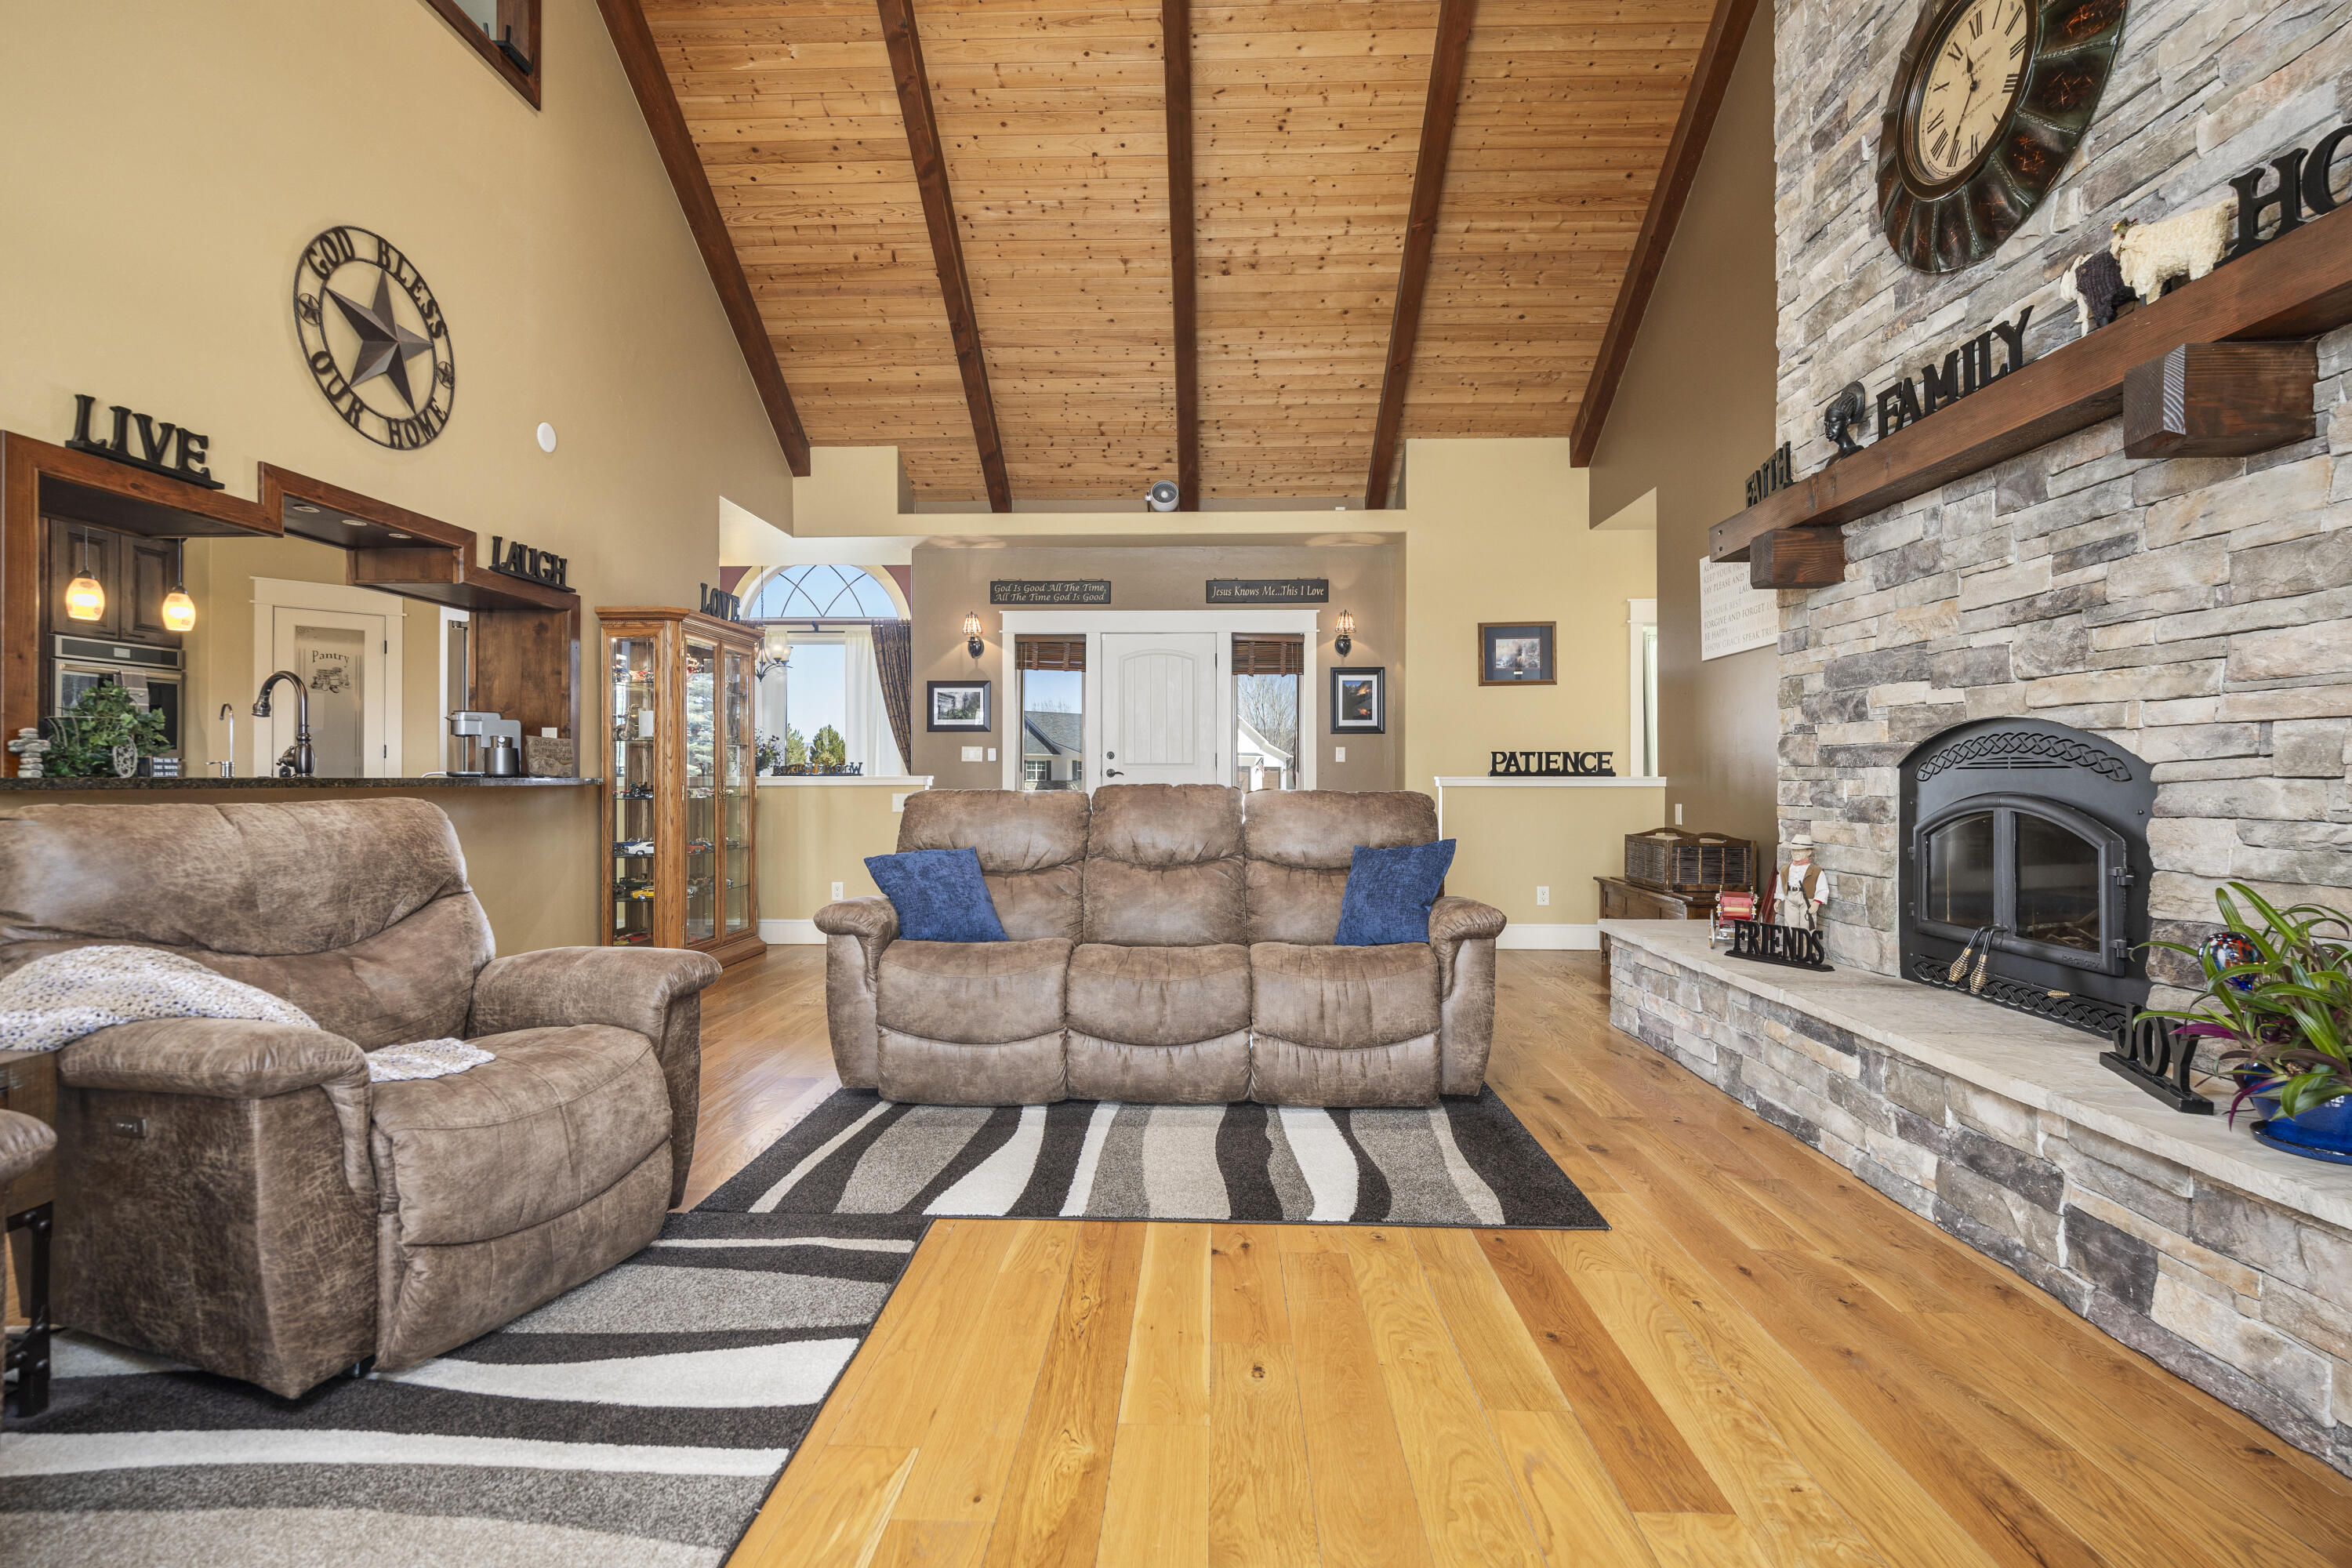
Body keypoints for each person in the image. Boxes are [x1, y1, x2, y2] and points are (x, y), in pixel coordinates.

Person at [1774, 835, 1831, 931]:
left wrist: (1816, 902)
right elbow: (1781, 884)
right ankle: (1792, 945)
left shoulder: (1816, 871)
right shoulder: (1785, 869)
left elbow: (1822, 888)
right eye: (1793, 850)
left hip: (1807, 898)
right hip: (1790, 897)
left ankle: (1806, 945)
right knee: (1790, 925)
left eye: (1799, 850)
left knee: (1807, 925)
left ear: (1808, 852)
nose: (1795, 853)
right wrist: (1779, 899)